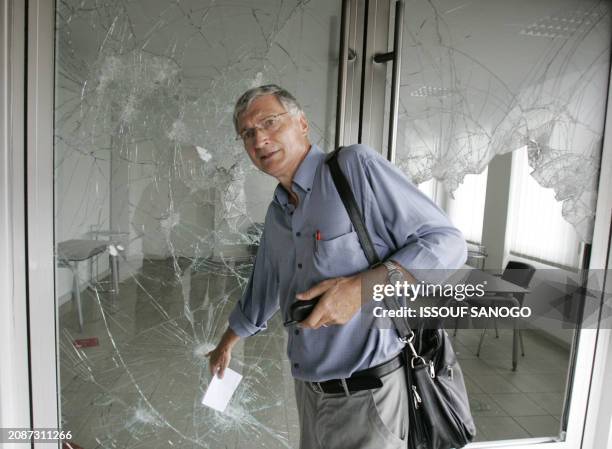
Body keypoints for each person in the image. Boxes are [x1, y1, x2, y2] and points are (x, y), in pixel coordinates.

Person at [207, 84, 466, 449]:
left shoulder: (353, 168)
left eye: (269, 122)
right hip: (310, 395)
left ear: (302, 124)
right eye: (248, 133)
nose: (259, 139)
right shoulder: (278, 210)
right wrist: (227, 342)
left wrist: (362, 289)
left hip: (370, 394)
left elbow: (447, 242)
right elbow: (264, 286)